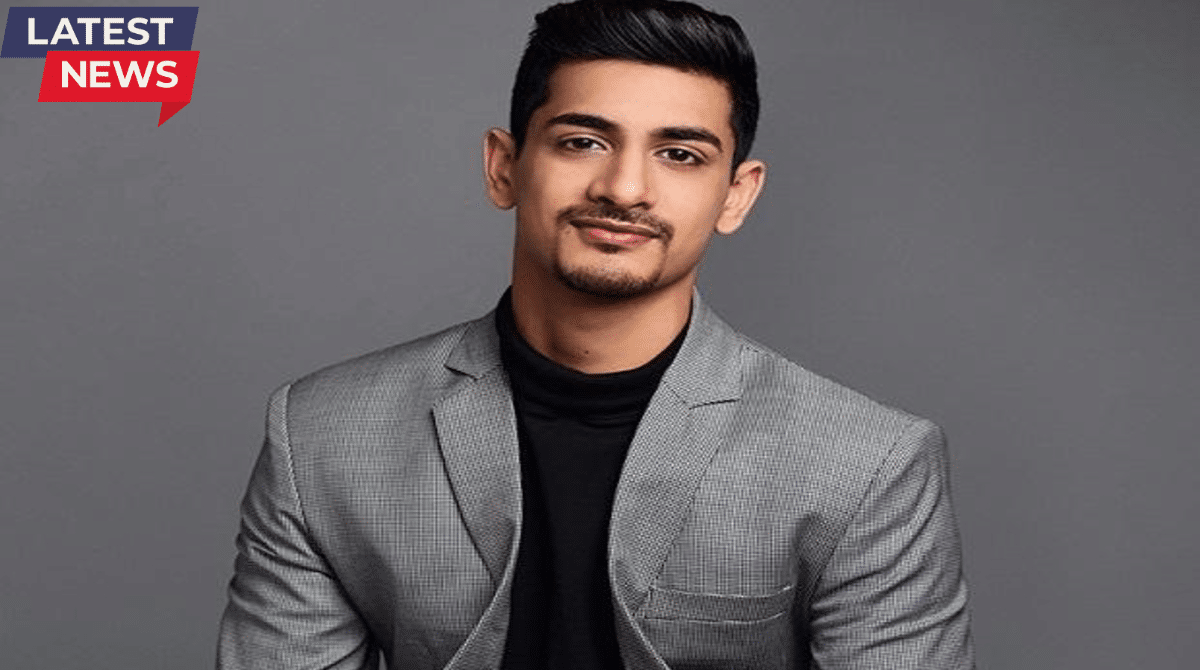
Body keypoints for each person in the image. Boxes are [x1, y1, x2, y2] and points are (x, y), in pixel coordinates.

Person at [216, 1, 974, 668]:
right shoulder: (321, 435)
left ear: (735, 196)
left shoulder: (867, 463)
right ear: (504, 167)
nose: (624, 189)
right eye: (582, 141)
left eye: (680, 155)